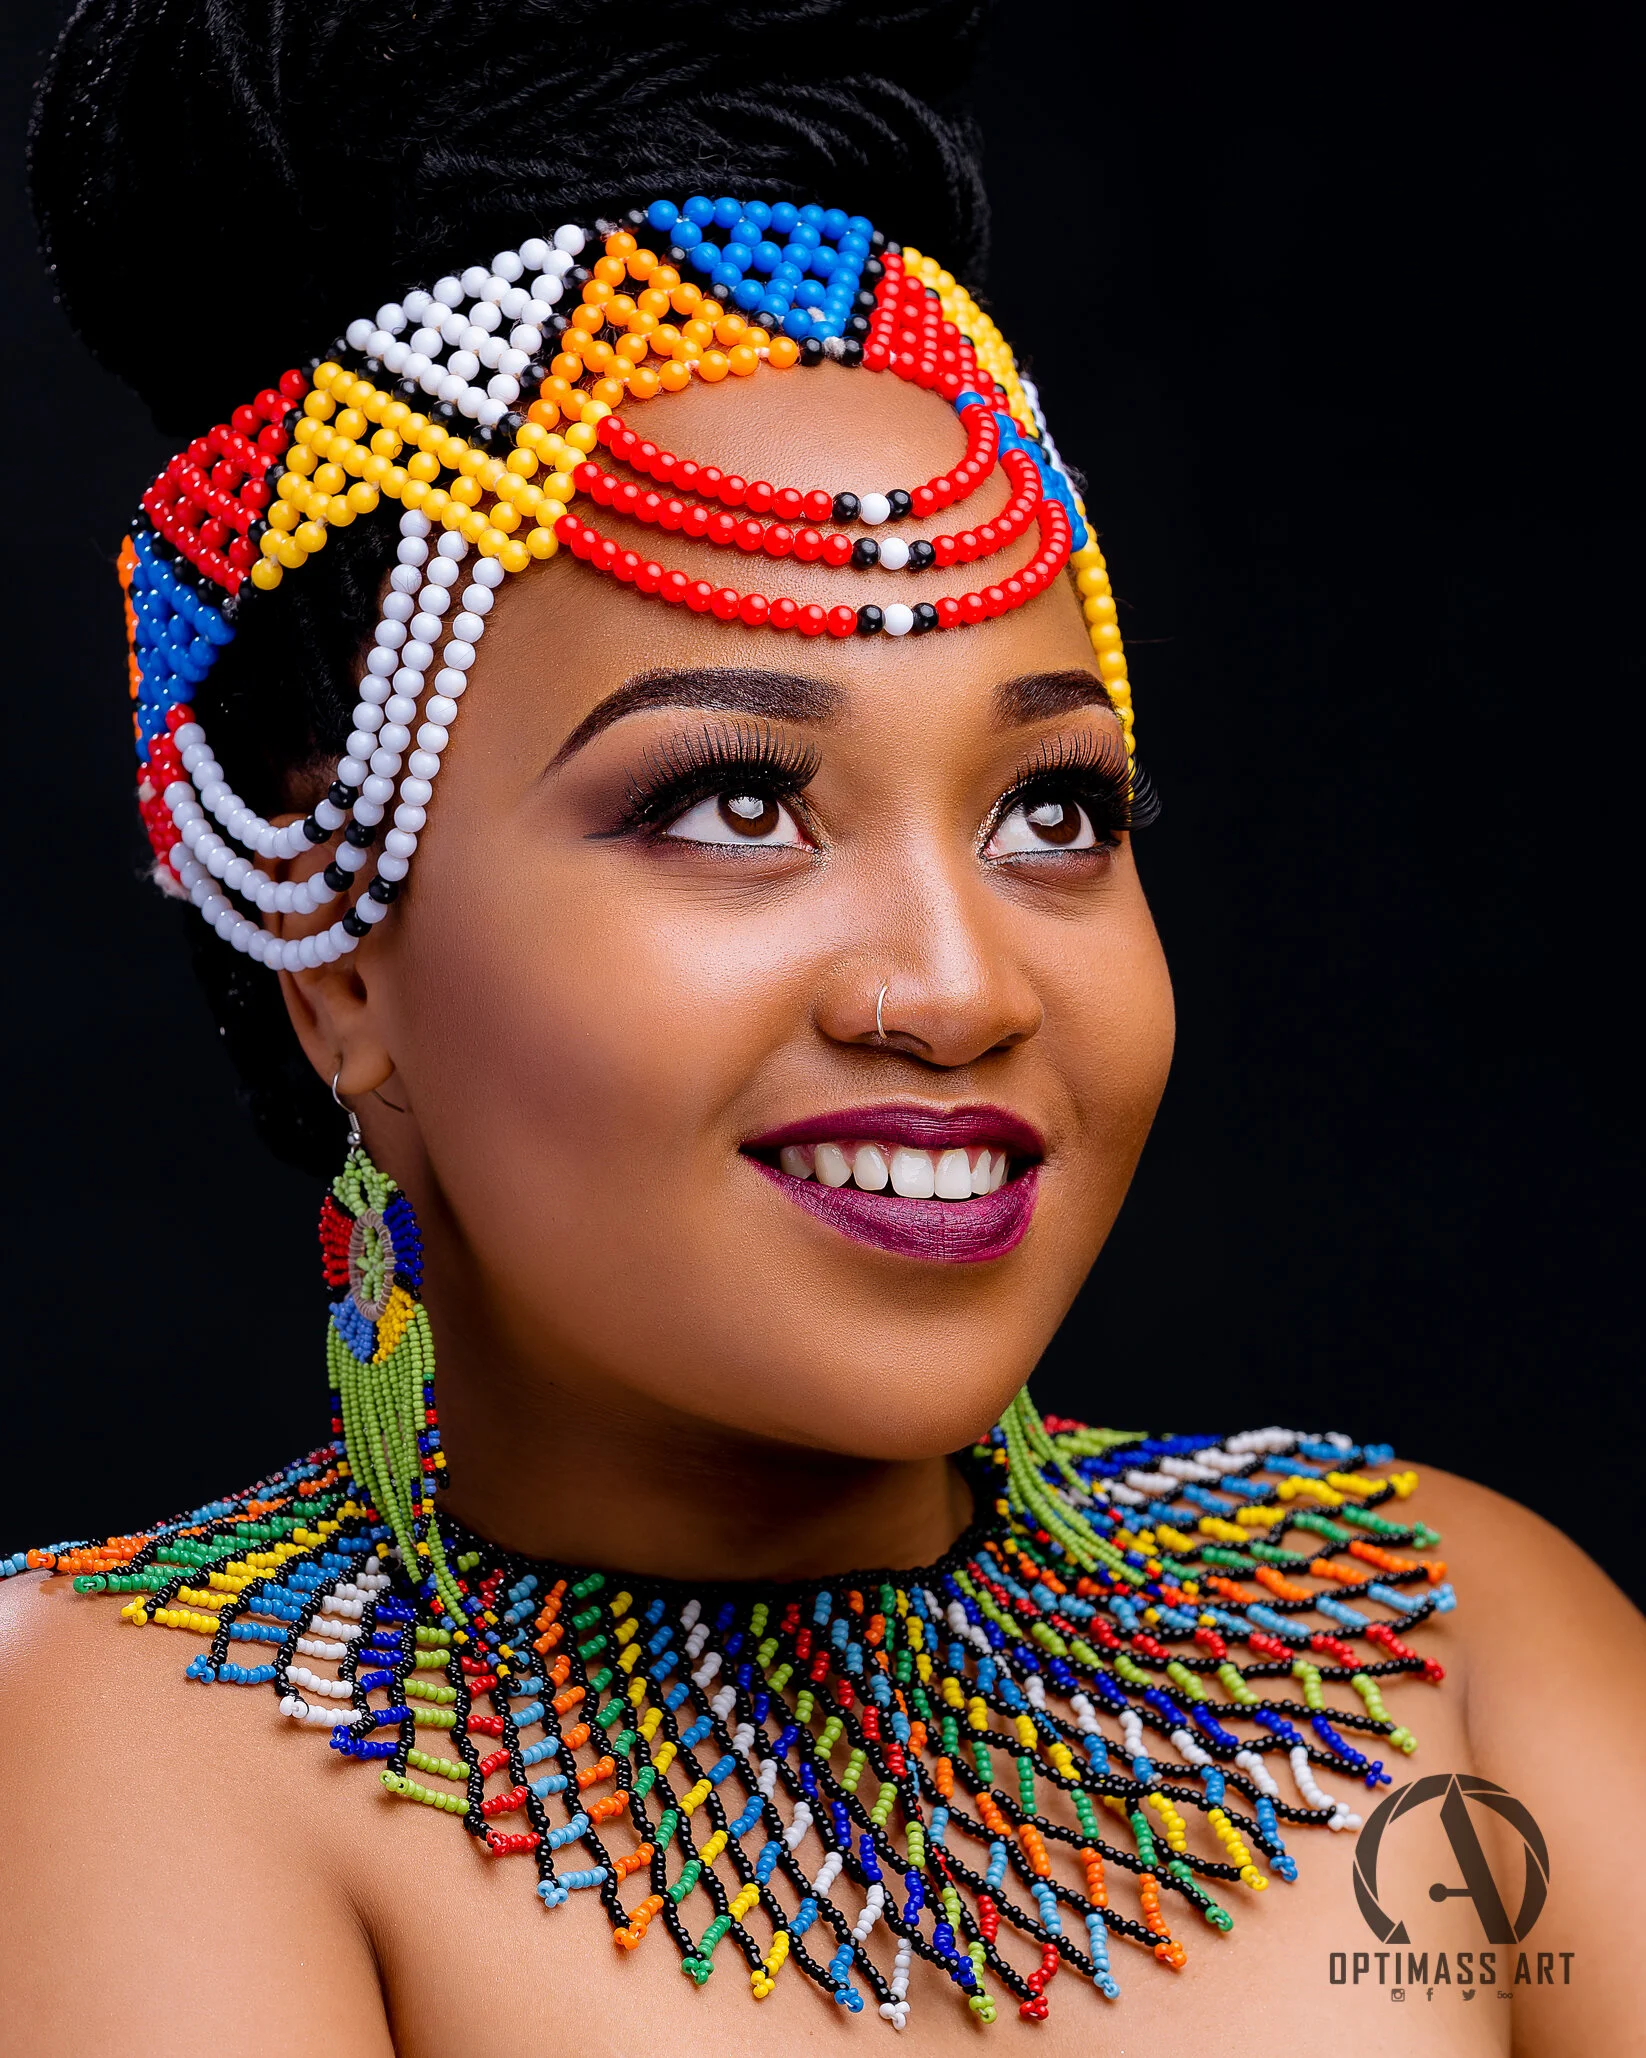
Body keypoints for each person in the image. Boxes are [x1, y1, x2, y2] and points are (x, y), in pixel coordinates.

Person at [3, 1, 1641, 2050]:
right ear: (339, 961)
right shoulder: (128, 1746)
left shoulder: (1450, 1643)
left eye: (1054, 812)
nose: (958, 989)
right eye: (732, 804)